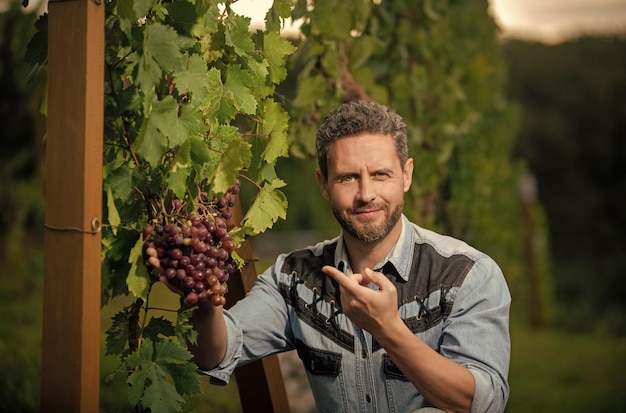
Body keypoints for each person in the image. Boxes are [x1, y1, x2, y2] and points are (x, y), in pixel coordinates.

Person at [183, 101, 511, 412]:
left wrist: (388, 329)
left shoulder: (465, 275)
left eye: (381, 174)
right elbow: (213, 354)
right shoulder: (295, 277)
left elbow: (483, 403)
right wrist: (201, 285)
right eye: (348, 177)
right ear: (324, 184)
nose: (366, 194)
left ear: (407, 175)